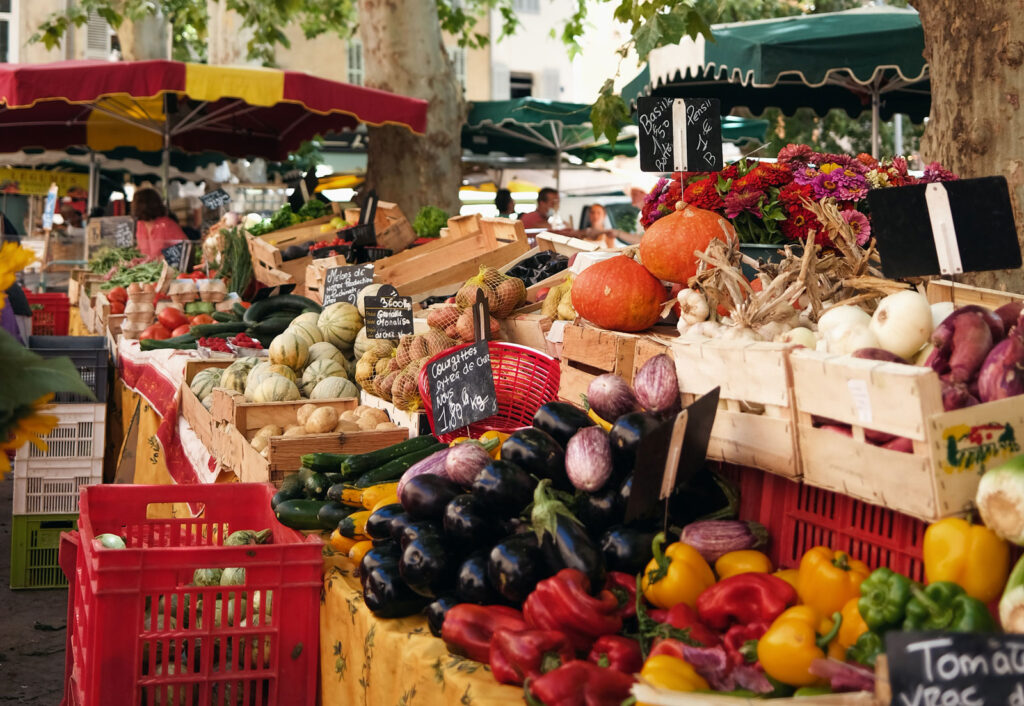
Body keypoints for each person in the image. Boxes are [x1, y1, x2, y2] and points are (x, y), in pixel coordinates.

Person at [132, 187, 186, 259]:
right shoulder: (140, 224)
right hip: (146, 267)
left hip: (166, 268)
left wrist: (164, 257)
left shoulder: (166, 224)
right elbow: (141, 247)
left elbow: (185, 247)